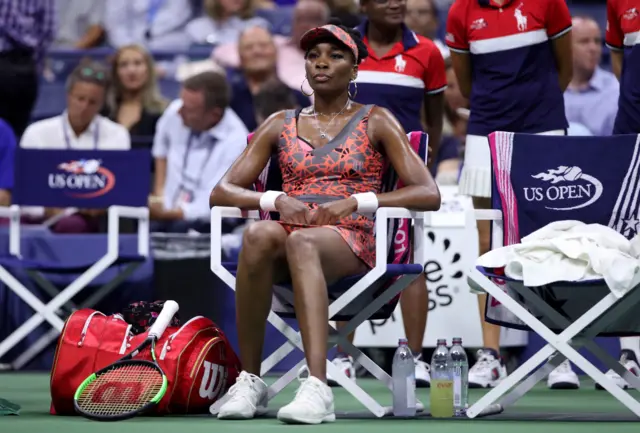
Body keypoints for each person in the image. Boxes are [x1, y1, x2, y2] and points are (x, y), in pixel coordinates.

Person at [211, 23, 440, 424]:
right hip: (292, 230)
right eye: (314, 54)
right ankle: (250, 380)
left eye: (335, 55)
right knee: (259, 232)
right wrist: (276, 199)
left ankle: (317, 386)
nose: (322, 62)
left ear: (354, 71)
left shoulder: (377, 119)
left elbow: (428, 193)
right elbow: (223, 190)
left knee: (305, 244)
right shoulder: (280, 122)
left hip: (352, 238)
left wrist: (357, 202)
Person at [446, 0, 574, 389]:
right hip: (486, 130)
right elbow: (466, 85)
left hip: (543, 126)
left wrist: (534, 105)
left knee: (553, 240)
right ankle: (491, 355)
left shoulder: (549, 3)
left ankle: (560, 353)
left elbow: (562, 71)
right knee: (487, 241)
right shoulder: (460, 12)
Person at [325, 0, 447, 388]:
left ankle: (413, 358)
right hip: (349, 172)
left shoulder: (427, 52)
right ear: (363, 5)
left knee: (409, 261)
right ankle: (343, 354)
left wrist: (415, 164)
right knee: (344, 257)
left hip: (401, 180)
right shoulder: (344, 47)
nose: (396, 3)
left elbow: (434, 122)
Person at [20, 61, 131, 233]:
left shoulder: (117, 134)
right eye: (80, 99)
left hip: (93, 220)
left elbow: (120, 189)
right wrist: (46, 210)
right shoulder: (37, 133)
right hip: (42, 218)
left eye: (92, 102)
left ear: (102, 103)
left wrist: (101, 205)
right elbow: (25, 191)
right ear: (68, 96)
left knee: (73, 224)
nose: (84, 107)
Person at [150, 71, 248, 233]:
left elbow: (214, 200)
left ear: (214, 115)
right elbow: (161, 149)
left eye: (189, 109)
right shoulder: (175, 111)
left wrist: (169, 213)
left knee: (179, 229)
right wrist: (159, 194)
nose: (179, 112)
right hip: (167, 209)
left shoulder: (237, 143)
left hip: (207, 222)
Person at [603, 0, 640, 390]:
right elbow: (621, 64)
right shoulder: (619, 2)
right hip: (631, 131)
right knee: (628, 238)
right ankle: (631, 353)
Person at [0, 0, 55, 137]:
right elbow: (48, 30)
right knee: (17, 133)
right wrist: (35, 63)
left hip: (21, 67)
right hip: (25, 66)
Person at [106, 44, 169, 149]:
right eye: (124, 65)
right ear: (115, 72)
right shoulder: (103, 112)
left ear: (148, 70)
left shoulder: (163, 112)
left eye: (138, 63)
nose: (131, 70)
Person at [564, 16, 619, 136]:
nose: (593, 48)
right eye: (584, 41)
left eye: (597, 41)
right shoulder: (548, 90)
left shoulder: (617, 91)